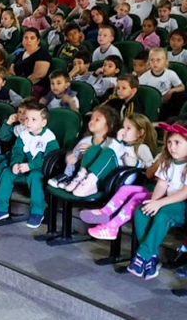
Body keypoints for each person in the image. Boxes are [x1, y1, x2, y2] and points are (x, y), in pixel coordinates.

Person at [80, 114, 157, 239]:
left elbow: (151, 168)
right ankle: (88, 187)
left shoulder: (142, 148)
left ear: (140, 133)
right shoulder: (118, 143)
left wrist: (137, 163)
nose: (123, 131)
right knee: (95, 150)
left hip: (123, 181)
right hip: (110, 177)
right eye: (123, 127)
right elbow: (109, 153)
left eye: (128, 128)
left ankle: (105, 216)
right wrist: (116, 141)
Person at [127, 121, 187, 280]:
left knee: (163, 214)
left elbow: (184, 193)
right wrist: (153, 203)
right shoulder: (167, 162)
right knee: (142, 212)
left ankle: (142, 255)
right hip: (167, 201)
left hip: (182, 206)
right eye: (169, 142)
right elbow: (161, 184)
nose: (171, 147)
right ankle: (152, 258)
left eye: (177, 143)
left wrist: (159, 204)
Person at [0, 102, 59, 228]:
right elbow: (17, 151)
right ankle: (1, 209)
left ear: (43, 123)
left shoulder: (49, 138)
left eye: (33, 119)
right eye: (26, 119)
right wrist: (16, 163)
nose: (28, 122)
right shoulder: (23, 134)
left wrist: (30, 166)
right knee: (7, 173)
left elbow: (48, 159)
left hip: (40, 168)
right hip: (24, 165)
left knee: (35, 177)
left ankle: (37, 212)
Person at [10, 28, 52, 98]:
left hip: (34, 88)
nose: (28, 40)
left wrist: (22, 86)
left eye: (32, 38)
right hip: (17, 86)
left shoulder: (43, 55)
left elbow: (38, 75)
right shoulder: (20, 54)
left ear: (38, 41)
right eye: (26, 38)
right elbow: (11, 70)